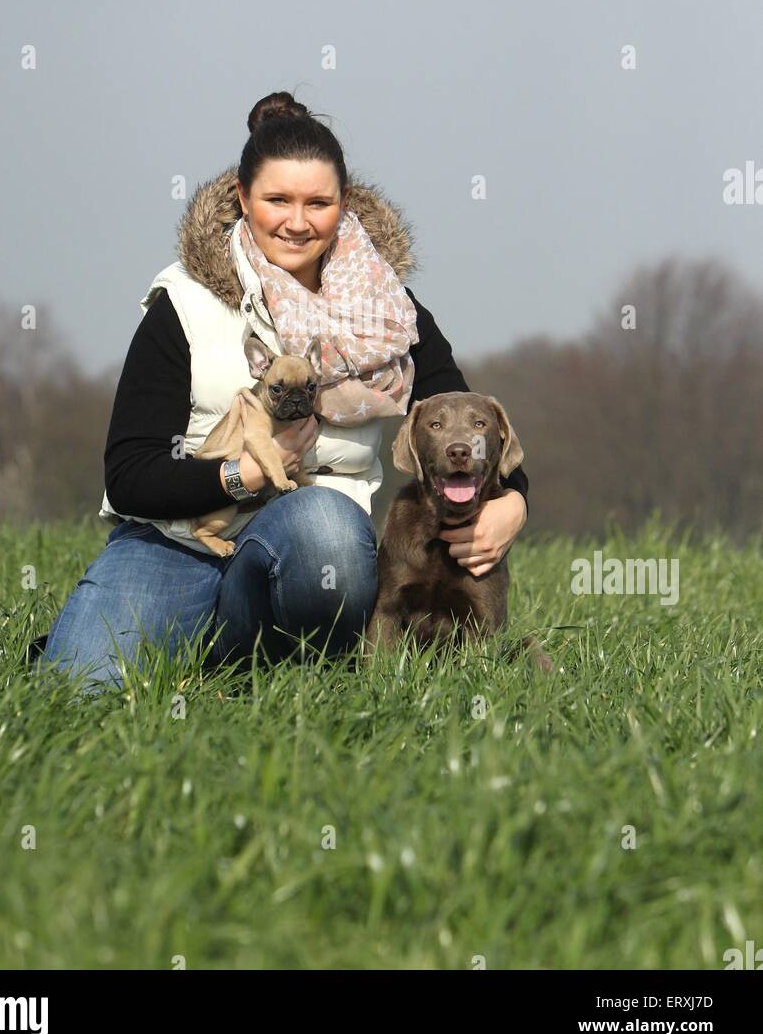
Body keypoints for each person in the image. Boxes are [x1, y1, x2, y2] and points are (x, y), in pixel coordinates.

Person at [38, 92, 529, 692]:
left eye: (318, 203)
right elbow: (129, 473)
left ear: (343, 205)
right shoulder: (184, 305)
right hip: (173, 542)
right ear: (243, 199)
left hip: (311, 556)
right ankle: (202, 650)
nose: (297, 222)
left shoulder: (390, 313)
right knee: (78, 690)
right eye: (277, 200)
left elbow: (459, 411)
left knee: (326, 526)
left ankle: (283, 667)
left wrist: (515, 500)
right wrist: (239, 476)